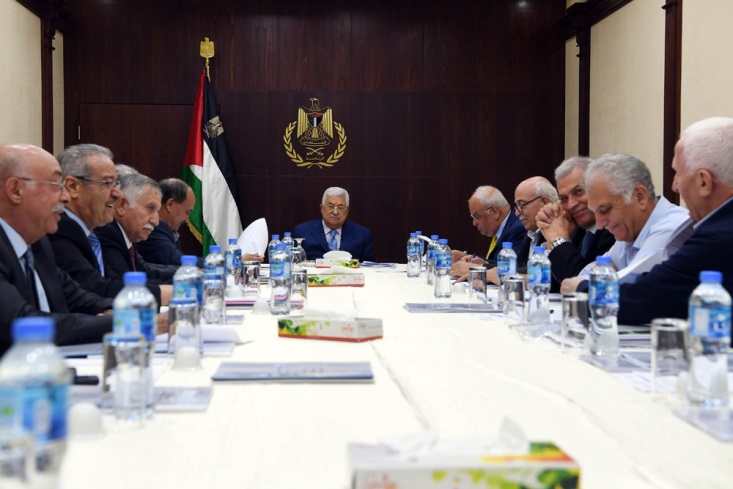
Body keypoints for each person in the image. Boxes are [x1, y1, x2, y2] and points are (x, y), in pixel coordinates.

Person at [617, 117, 733, 325]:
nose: (675, 186)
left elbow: (648, 297)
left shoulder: (718, 236)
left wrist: (581, 291)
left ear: (704, 182)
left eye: (678, 174)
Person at [0, 143, 113, 357]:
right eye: (55, 184)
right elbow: (22, 321)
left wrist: (123, 310)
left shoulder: (38, 241)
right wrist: (117, 323)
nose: (65, 197)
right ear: (16, 190)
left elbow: (75, 296)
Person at [49, 144, 171, 306]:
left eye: (116, 184)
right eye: (107, 183)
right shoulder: (60, 229)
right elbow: (95, 287)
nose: (117, 194)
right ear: (73, 187)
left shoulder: (89, 234)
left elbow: (110, 281)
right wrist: (173, 292)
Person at [560, 153, 691, 292]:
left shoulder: (672, 228)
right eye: (595, 212)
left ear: (640, 196)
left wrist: (585, 286)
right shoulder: (629, 230)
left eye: (605, 210)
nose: (599, 224)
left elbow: (630, 289)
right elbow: (593, 272)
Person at [136, 178, 262, 268]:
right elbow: (179, 262)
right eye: (187, 212)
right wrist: (231, 262)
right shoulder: (153, 229)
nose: (186, 220)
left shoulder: (167, 229)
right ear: (170, 204)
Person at [536, 156, 616, 289]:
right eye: (564, 198)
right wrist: (555, 240)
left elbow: (581, 285)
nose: (571, 204)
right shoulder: (578, 228)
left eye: (579, 191)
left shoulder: (613, 228)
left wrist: (559, 240)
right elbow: (553, 284)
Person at [95, 172, 178, 282]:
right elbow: (126, 285)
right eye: (150, 208)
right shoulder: (108, 233)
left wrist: (188, 275)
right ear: (122, 205)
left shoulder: (126, 235)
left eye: (157, 211)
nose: (156, 221)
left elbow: (144, 272)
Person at [451, 185, 525, 278]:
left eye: (477, 217)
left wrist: (476, 268)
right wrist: (472, 258)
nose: (474, 223)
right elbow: (496, 263)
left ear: (495, 212)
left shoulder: (517, 229)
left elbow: (511, 269)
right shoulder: (503, 228)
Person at [293, 187, 375, 261]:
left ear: (347, 211)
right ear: (322, 209)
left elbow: (369, 266)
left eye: (340, 207)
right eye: (330, 206)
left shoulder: (362, 234)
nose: (335, 212)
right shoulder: (302, 232)